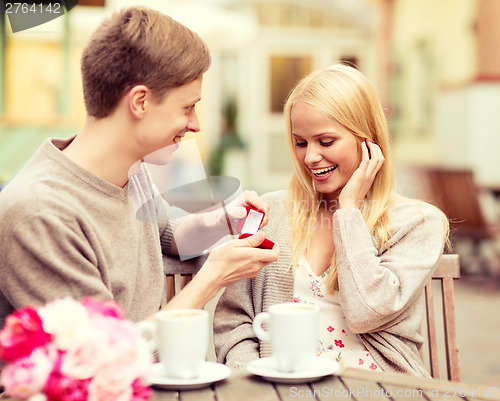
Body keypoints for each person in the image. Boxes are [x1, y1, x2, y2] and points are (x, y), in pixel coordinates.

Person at [0, 6, 279, 332]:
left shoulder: (131, 169)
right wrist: (213, 278)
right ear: (140, 102)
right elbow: (107, 355)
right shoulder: (39, 216)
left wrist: (219, 222)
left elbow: (164, 234)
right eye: (188, 108)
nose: (196, 125)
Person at [213, 63, 449, 377]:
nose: (310, 157)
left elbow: (367, 312)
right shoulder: (270, 212)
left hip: (376, 389)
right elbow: (234, 319)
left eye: (325, 142)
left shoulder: (418, 223)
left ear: (368, 142)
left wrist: (348, 210)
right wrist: (252, 381)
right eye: (300, 143)